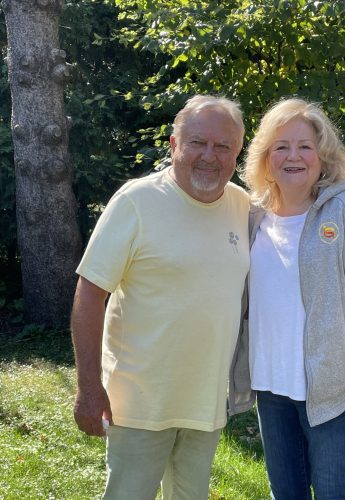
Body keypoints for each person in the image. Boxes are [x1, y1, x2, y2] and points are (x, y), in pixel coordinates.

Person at [71, 95, 250, 500]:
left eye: (223, 146)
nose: (210, 156)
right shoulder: (136, 202)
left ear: (237, 153)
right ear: (174, 145)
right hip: (138, 405)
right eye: (197, 143)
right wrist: (88, 387)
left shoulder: (242, 205)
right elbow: (89, 293)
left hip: (205, 404)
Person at [229, 98, 345, 499]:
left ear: (322, 156)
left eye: (304, 146)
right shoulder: (251, 215)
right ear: (266, 158)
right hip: (271, 388)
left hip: (332, 392)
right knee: (286, 494)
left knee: (335, 494)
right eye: (281, 146)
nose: (293, 156)